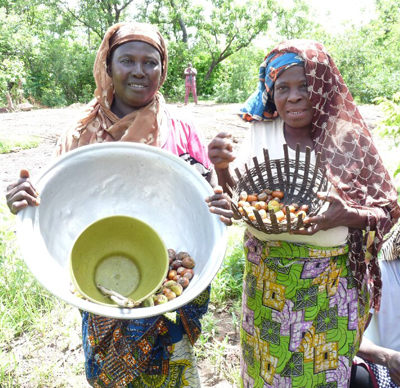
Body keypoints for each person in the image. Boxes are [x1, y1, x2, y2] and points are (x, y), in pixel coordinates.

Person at [6, 22, 220, 388]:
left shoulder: (182, 130)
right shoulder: (81, 132)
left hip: (166, 278)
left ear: (163, 70)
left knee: (173, 370)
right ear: (108, 66)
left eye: (150, 62)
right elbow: (51, 202)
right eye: (127, 61)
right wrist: (21, 201)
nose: (139, 71)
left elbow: (208, 199)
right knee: (111, 376)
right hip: (101, 274)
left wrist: (223, 186)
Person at [205, 40, 400, 387]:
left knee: (322, 376)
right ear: (271, 92)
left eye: (304, 85)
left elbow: (388, 209)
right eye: (283, 87)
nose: (293, 96)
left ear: (323, 87)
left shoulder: (347, 139)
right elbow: (243, 199)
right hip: (267, 288)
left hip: (329, 291)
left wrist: (346, 215)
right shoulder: (260, 131)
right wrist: (220, 169)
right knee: (268, 374)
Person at [351, 222, 400, 388]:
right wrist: (388, 358)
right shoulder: (378, 274)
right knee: (357, 377)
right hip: (381, 368)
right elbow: (350, 338)